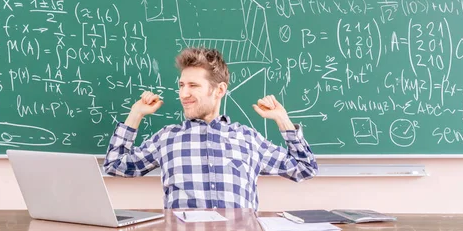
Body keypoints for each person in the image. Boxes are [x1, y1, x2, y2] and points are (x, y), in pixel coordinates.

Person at [103, 47, 318, 210]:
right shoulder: (167, 138)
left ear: (219, 90)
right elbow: (115, 165)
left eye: (193, 86)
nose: (183, 94)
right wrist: (136, 114)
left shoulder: (247, 138)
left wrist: (282, 119)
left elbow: (304, 168)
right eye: (181, 85)